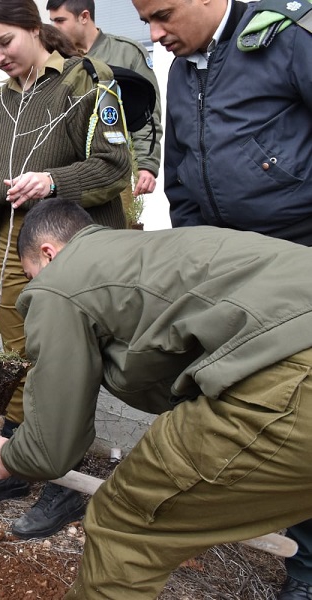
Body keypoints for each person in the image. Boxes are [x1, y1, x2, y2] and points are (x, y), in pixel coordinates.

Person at [0, 197, 312, 599]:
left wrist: (9, 457)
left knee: (123, 523)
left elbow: (52, 446)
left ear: (48, 254)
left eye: (31, 276)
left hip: (290, 371)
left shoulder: (60, 282)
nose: (34, 286)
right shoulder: (144, 253)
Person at [132, 0, 312, 596]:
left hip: (300, 270)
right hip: (236, 282)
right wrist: (195, 261)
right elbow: (181, 174)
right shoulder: (185, 69)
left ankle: (307, 572)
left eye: (163, 15)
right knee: (254, 412)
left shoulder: (285, 39)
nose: (156, 36)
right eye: (145, 22)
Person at [0, 0, 131, 541]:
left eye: (4, 40)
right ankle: (21, 464)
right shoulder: (1, 102)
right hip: (15, 248)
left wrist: (53, 182)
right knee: (22, 355)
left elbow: (115, 164)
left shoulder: (88, 82)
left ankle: (65, 486)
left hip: (78, 252)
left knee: (70, 363)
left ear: (35, 27)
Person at [46, 0, 162, 199]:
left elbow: (148, 114)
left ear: (84, 17)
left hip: (114, 167)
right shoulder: (53, 59)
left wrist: (146, 165)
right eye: (51, 21)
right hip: (64, 174)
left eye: (60, 20)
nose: (54, 28)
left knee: (115, 228)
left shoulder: (126, 52)